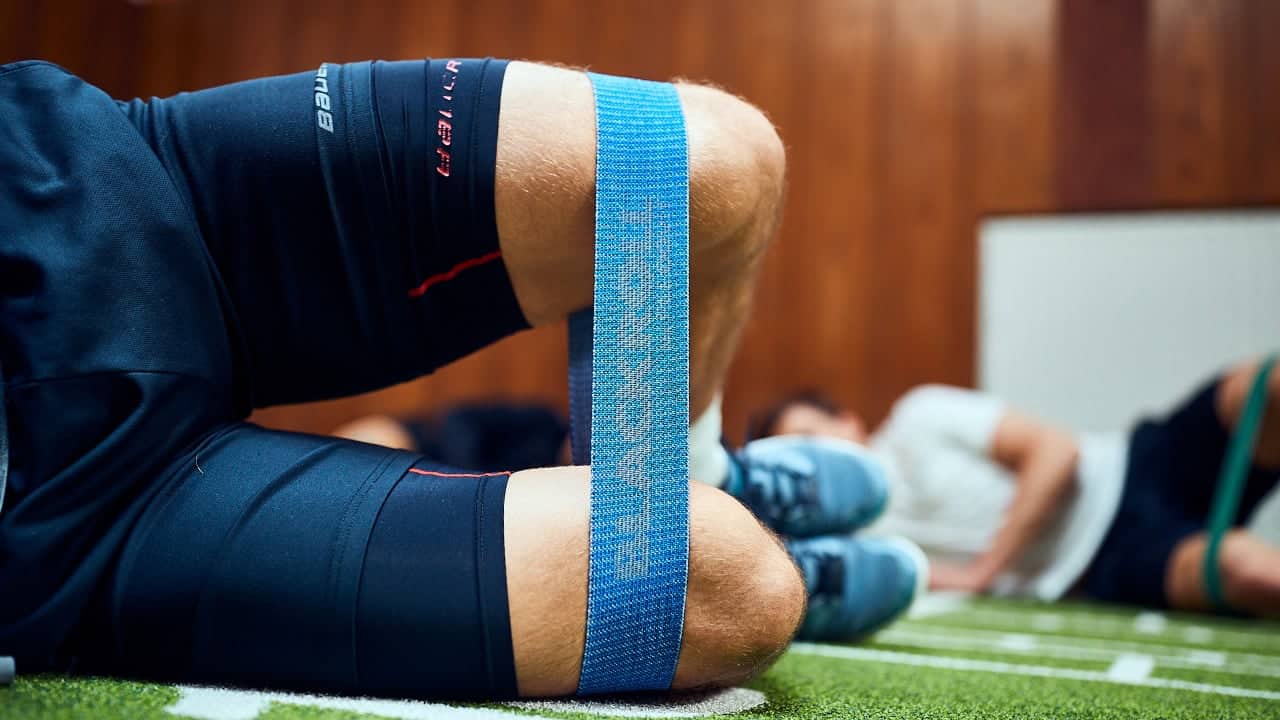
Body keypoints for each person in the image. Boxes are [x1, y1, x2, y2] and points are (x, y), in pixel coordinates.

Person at [0, 56, 918, 700]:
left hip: (82, 170)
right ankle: (750, 533)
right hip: (79, 520)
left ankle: (704, 471)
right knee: (729, 587)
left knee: (710, 161)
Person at [748, 361, 1280, 617]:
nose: (811, 462)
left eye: (810, 440)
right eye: (795, 458)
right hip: (1109, 562)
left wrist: (984, 571)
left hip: (1135, 466)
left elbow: (1057, 451)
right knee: (1246, 573)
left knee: (1259, 386)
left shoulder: (919, 416)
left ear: (850, 422)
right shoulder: (857, 554)